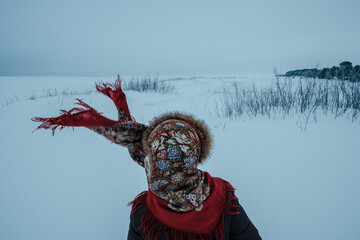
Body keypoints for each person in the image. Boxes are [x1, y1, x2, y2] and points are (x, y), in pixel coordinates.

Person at [32, 76, 262, 240]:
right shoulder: (222, 199)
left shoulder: (145, 211)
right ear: (194, 154)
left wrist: (97, 120)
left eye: (153, 153)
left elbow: (145, 151)